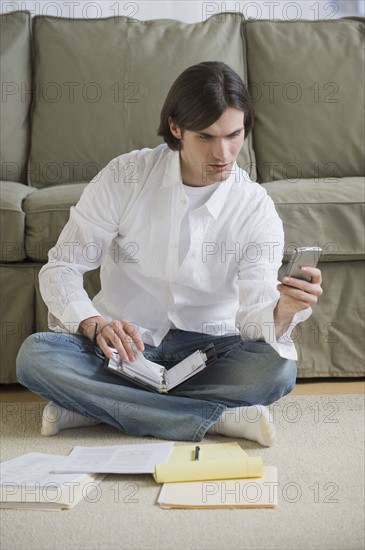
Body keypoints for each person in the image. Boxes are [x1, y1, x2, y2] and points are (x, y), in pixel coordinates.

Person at [16, 61, 323, 446]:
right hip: (124, 346)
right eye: (206, 137)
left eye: (234, 135)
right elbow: (62, 266)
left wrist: (283, 311)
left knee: (276, 370)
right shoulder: (125, 176)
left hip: (213, 349)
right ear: (176, 128)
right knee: (36, 356)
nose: (223, 153)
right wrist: (94, 323)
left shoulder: (254, 207)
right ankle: (215, 419)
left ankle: (94, 407)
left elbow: (253, 316)